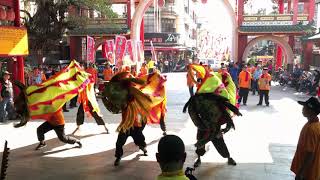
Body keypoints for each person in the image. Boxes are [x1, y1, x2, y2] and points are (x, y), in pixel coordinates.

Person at [291, 97, 320, 180]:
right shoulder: (313, 125)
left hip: (308, 172)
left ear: (311, 111)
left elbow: (310, 154)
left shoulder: (312, 129)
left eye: (305, 107)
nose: (302, 109)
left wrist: (301, 173)